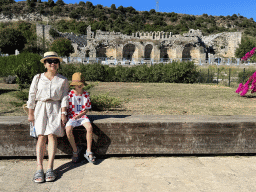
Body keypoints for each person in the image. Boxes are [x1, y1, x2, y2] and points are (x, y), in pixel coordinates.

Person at [27, 51, 69, 183]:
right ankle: (39, 168)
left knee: (52, 135)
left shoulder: (63, 80)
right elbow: (32, 95)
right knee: (41, 136)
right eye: (49, 61)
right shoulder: (38, 78)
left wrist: (63, 113)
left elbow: (64, 97)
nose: (53, 63)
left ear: (58, 64)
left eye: (55, 61)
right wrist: (30, 113)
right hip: (40, 107)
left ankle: (50, 167)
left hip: (55, 108)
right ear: (45, 64)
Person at [65, 72, 96, 164]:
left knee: (89, 128)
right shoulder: (70, 94)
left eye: (80, 84)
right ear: (73, 85)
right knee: (68, 129)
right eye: (77, 85)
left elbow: (86, 109)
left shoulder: (86, 94)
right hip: (71, 116)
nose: (79, 86)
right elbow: (66, 107)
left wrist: (80, 115)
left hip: (82, 116)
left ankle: (89, 151)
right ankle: (75, 151)